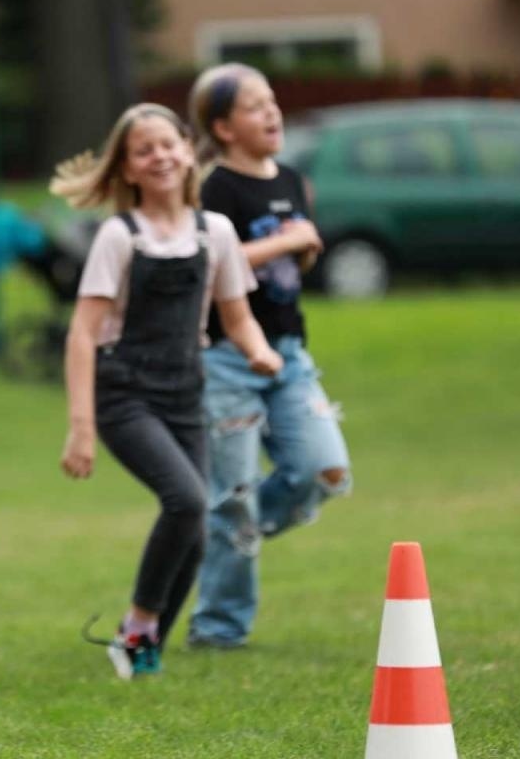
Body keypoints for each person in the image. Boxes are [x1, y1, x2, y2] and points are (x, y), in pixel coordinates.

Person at [53, 102, 282, 679]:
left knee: (195, 530)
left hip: (185, 393)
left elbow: (236, 316)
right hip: (124, 394)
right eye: (143, 150)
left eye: (167, 144)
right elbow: (82, 334)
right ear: (128, 168)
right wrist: (81, 428)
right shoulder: (119, 236)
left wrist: (259, 351)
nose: (159, 157)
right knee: (186, 501)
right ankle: (136, 631)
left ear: (188, 152)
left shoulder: (216, 231)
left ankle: (142, 649)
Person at [184, 63, 352, 650]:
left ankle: (226, 532)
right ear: (223, 127)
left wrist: (300, 251)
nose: (272, 112)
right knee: (233, 497)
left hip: (289, 354)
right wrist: (287, 241)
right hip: (227, 359)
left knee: (324, 470)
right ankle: (218, 628)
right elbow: (209, 262)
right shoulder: (214, 188)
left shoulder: (293, 180)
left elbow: (294, 260)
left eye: (272, 101)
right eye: (255, 106)